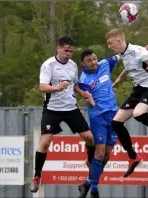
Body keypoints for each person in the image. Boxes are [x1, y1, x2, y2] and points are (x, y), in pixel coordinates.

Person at [31, 36, 95, 193]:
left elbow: (75, 86)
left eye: (71, 51)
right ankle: (37, 175)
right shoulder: (48, 65)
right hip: (52, 109)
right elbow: (42, 87)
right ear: (58, 49)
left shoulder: (73, 65)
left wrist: (83, 93)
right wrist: (57, 88)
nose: (69, 54)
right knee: (45, 143)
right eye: (66, 50)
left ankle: (90, 164)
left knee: (90, 139)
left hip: (70, 108)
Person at [106, 28, 148, 177]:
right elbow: (128, 69)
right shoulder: (124, 54)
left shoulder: (137, 51)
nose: (109, 47)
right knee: (115, 122)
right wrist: (116, 82)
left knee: (137, 114)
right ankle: (133, 157)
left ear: (119, 41)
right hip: (138, 90)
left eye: (110, 43)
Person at [76, 50, 120, 198]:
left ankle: (87, 183)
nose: (93, 62)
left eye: (95, 59)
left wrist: (143, 50)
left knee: (107, 155)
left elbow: (123, 54)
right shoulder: (83, 79)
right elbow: (86, 96)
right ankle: (94, 190)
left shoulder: (105, 64)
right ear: (84, 63)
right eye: (89, 60)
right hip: (98, 117)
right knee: (99, 153)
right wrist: (91, 101)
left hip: (114, 115)